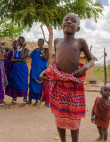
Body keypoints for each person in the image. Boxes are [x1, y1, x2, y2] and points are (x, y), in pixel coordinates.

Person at [40, 13, 94, 142]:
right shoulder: (57, 41)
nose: (69, 22)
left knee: (74, 119)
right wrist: (46, 72)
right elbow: (55, 63)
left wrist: (84, 68)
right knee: (59, 118)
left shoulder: (81, 42)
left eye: (73, 21)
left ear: (78, 28)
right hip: (59, 86)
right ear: (61, 25)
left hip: (74, 86)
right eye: (66, 20)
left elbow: (91, 60)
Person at [6, 36, 29, 106]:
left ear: (23, 41)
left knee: (23, 83)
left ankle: (24, 100)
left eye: (20, 41)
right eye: (18, 41)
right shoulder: (16, 50)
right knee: (15, 83)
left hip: (22, 69)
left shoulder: (26, 50)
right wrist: (19, 60)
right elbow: (12, 60)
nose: (18, 42)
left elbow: (22, 57)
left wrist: (23, 48)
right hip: (16, 68)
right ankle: (14, 99)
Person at [28, 38, 48, 106]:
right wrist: (35, 50)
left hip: (40, 71)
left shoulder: (45, 50)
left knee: (39, 86)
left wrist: (42, 52)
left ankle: (37, 101)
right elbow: (30, 55)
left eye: (41, 43)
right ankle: (30, 99)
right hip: (34, 71)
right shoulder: (35, 50)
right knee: (32, 85)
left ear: (43, 43)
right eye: (39, 42)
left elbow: (45, 58)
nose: (40, 44)